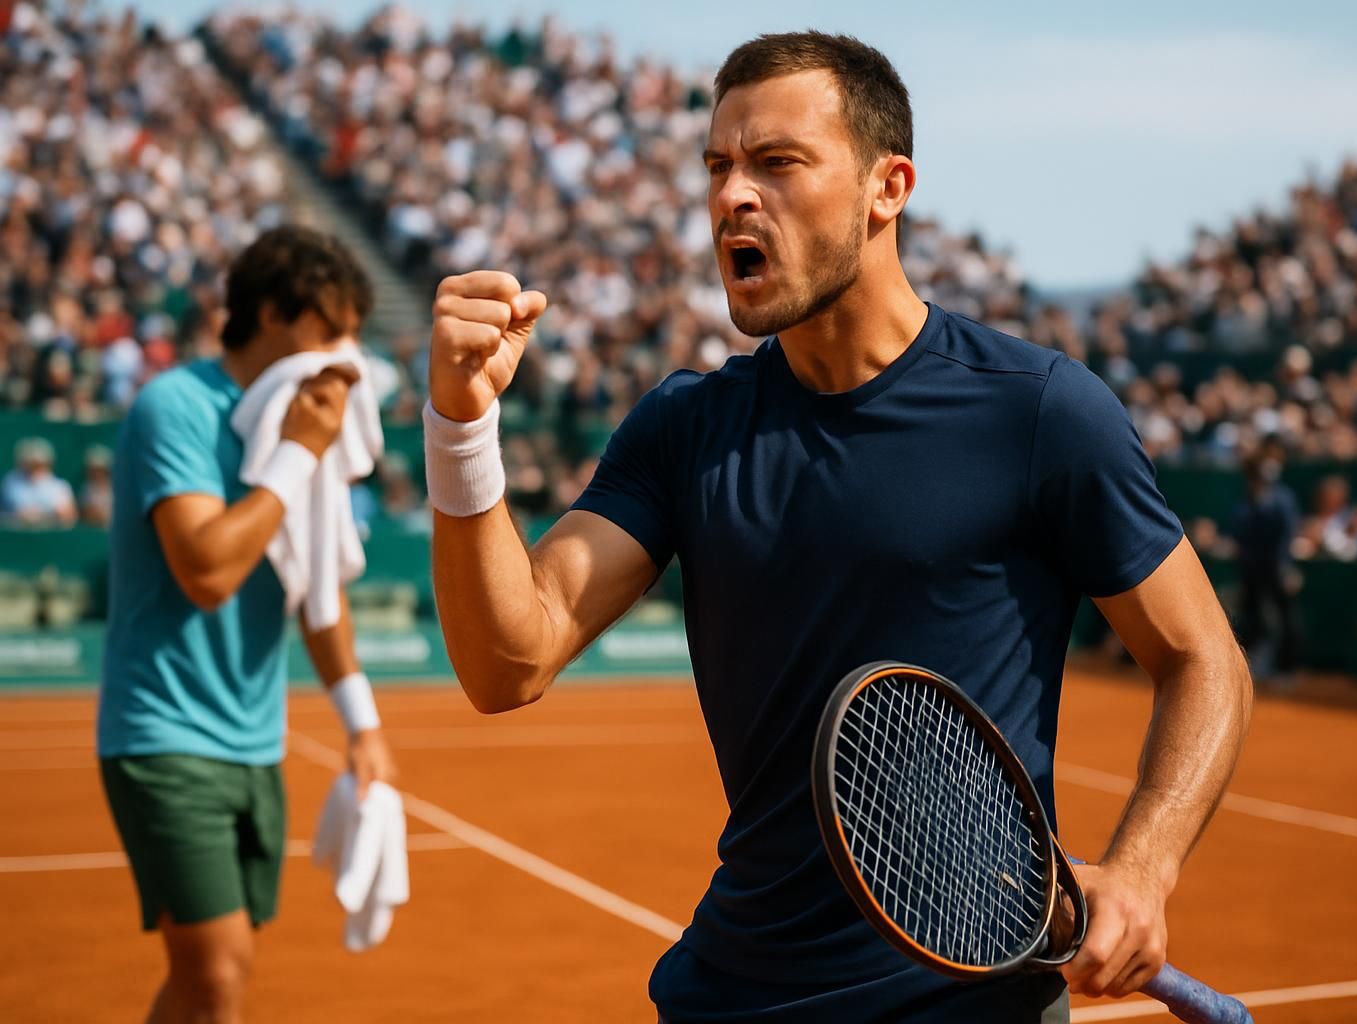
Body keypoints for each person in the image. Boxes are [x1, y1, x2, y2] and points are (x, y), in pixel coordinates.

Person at [425, 32, 1251, 1023]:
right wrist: (461, 427)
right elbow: (507, 661)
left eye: (777, 163)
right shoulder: (684, 429)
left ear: (886, 187)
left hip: (968, 1007)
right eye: (719, 167)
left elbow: (1205, 658)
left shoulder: (1038, 411)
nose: (733, 195)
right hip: (731, 996)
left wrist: (1145, 866)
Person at [96, 225, 398, 1024]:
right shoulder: (177, 407)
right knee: (220, 974)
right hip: (162, 736)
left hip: (254, 747)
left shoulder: (303, 423)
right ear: (271, 313)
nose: (346, 355)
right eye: (330, 328)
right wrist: (299, 452)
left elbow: (317, 588)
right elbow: (207, 571)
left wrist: (361, 723)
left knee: (210, 980)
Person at [1229, 451, 1301, 685]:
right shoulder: (1248, 500)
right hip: (1253, 570)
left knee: (1286, 619)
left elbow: (1286, 535)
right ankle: (1251, 667)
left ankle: (1287, 670)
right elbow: (1241, 531)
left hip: (1276, 569)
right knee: (1253, 618)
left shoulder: (1283, 499)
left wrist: (1286, 567)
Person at [1, 437, 78, 527]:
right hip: (15, 538)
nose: (34, 469)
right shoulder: (11, 482)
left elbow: (69, 516)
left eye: (38, 464)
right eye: (30, 464)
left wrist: (44, 516)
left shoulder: (60, 486)